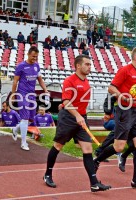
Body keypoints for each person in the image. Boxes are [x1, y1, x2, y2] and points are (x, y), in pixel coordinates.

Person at [43, 55, 111, 192]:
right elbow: (66, 102)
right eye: (87, 64)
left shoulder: (86, 82)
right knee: (58, 146)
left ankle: (94, 183)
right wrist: (77, 115)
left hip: (81, 118)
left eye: (90, 65)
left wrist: (81, 116)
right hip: (68, 118)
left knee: (88, 149)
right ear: (78, 66)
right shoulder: (69, 80)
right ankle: (47, 174)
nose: (89, 67)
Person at [94, 46, 136, 192]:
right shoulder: (125, 70)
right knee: (119, 146)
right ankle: (96, 161)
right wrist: (121, 96)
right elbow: (111, 87)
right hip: (124, 111)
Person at [10, 46, 49, 151]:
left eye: (36, 57)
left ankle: (15, 129)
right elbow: (15, 82)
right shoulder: (21, 66)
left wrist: (45, 90)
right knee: (25, 118)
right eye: (33, 56)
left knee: (30, 119)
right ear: (28, 54)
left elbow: (40, 80)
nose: (34, 59)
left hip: (32, 95)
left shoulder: (37, 66)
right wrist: (13, 95)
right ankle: (23, 142)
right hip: (22, 94)